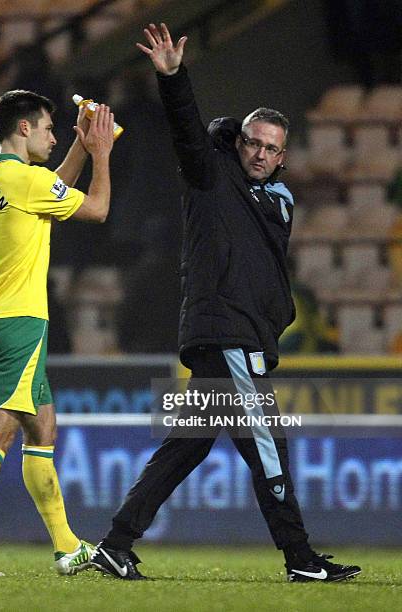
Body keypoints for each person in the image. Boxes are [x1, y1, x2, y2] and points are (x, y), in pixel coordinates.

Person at [91, 23, 361, 583]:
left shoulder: (276, 201)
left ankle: (116, 543)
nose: (259, 153)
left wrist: (274, 321)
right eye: (252, 142)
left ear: (283, 157)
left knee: (187, 446)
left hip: (241, 333)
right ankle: (301, 559)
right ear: (238, 145)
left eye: (270, 148)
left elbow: (263, 236)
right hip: (228, 331)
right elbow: (190, 133)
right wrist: (173, 78)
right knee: (268, 444)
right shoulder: (212, 178)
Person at [0, 90, 115, 576]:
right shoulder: (25, 180)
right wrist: (100, 153)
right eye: (48, 129)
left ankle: (66, 545)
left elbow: (49, 188)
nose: (54, 137)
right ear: (23, 130)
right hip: (20, 322)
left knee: (43, 425)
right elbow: (96, 208)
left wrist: (79, 142)